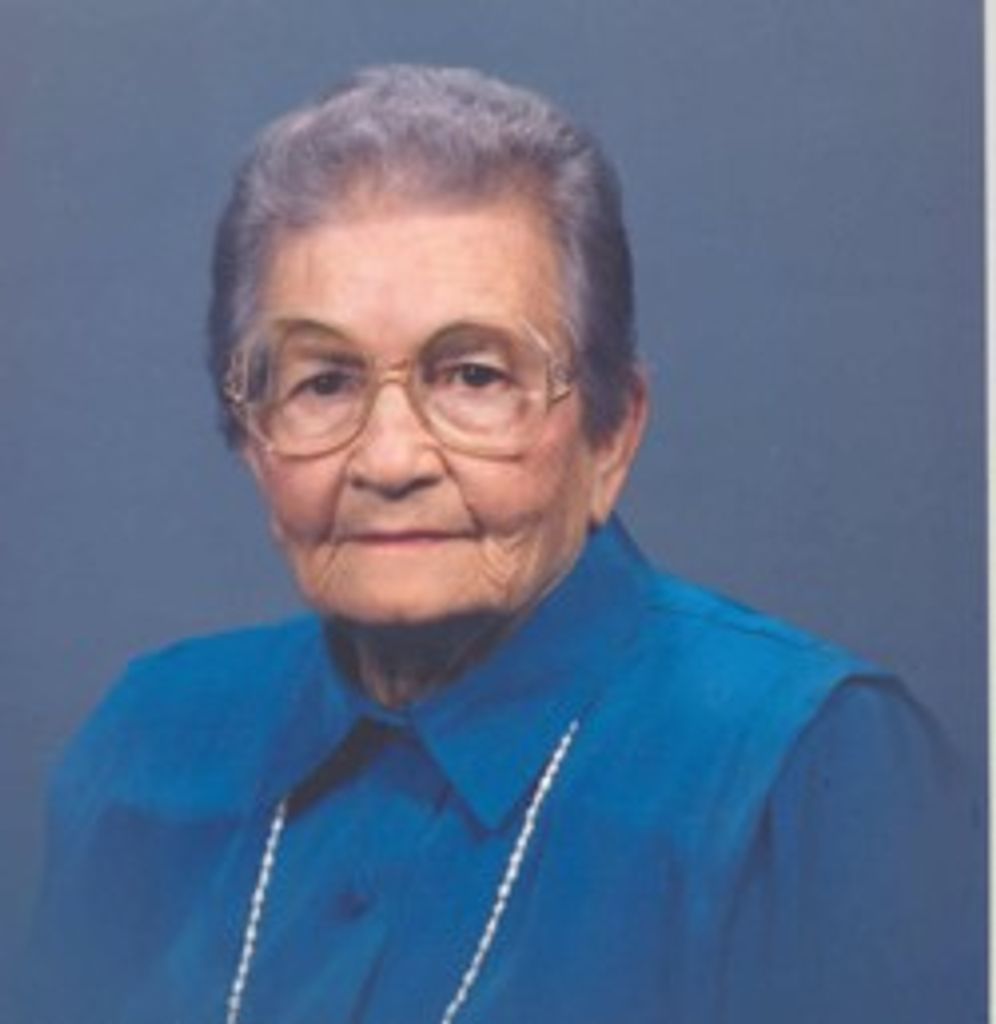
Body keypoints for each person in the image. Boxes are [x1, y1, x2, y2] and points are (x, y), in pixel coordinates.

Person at [25, 65, 965, 1024]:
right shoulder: (146, 745)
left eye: (473, 375)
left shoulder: (801, 773)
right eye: (324, 382)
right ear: (253, 440)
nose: (390, 460)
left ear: (612, 433)